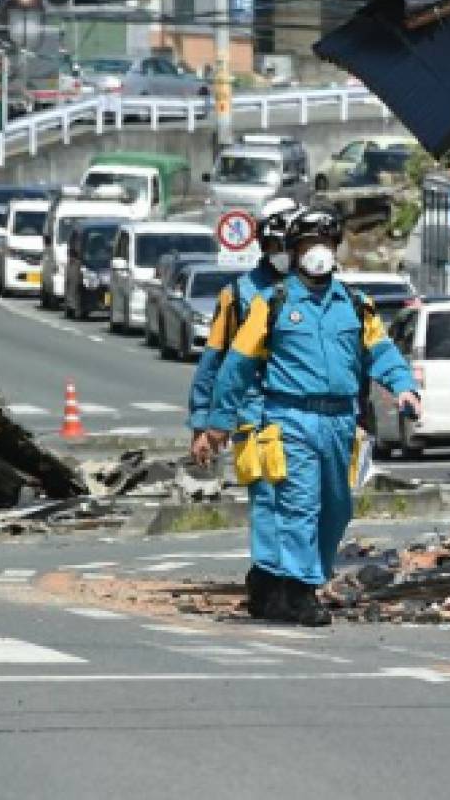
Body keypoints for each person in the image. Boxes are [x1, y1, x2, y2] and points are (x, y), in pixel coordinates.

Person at [201, 208, 419, 624]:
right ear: (294, 251)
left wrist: (403, 386)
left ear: (335, 249)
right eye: (306, 244)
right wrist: (217, 421)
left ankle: (292, 582)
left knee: (336, 508)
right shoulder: (273, 303)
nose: (315, 252)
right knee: (299, 505)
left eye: (323, 243)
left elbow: (382, 351)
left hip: (340, 422)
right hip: (289, 418)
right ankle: (302, 591)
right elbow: (237, 364)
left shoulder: (355, 304)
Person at [188, 196, 299, 609]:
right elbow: (215, 362)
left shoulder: (324, 292)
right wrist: (204, 423)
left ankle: (298, 578)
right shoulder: (237, 296)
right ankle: (271, 582)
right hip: (255, 415)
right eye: (278, 244)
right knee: (269, 498)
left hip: (308, 417)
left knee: (311, 500)